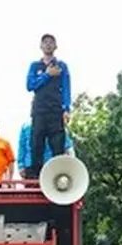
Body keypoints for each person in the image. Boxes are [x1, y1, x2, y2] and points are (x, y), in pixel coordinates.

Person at [24, 33, 71, 180]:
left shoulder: (61, 66)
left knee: (58, 144)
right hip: (39, 110)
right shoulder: (35, 66)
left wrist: (66, 109)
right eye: (45, 42)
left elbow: (66, 88)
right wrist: (47, 74)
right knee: (36, 142)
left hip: (56, 110)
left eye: (51, 42)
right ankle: (35, 176)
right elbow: (30, 85)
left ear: (56, 46)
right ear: (41, 46)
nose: (48, 45)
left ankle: (58, 175)